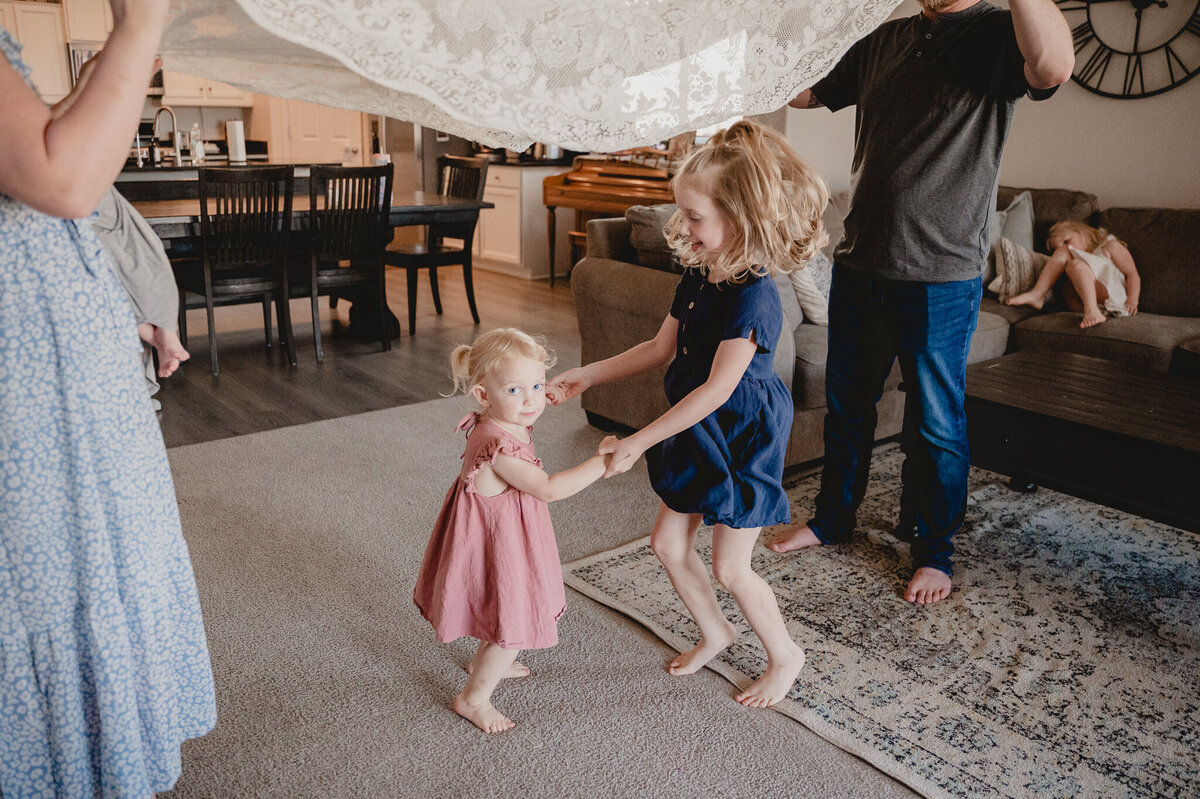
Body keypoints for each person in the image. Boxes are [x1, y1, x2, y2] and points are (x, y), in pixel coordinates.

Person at [768, 0, 1074, 605]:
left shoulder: (1000, 33)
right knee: (848, 409)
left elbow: (1052, 68)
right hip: (860, 263)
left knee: (937, 423)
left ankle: (934, 553)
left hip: (941, 277)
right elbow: (805, 92)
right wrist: (755, 47)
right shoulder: (883, 39)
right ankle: (833, 519)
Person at [0, 1, 216, 796]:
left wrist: (94, 79)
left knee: (82, 555)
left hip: (56, 358)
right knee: (52, 566)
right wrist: (140, 25)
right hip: (26, 376)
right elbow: (61, 177)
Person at [547, 120, 827, 708]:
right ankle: (716, 632)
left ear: (741, 218)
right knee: (668, 546)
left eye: (695, 216)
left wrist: (638, 441)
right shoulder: (698, 275)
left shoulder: (757, 296)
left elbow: (719, 391)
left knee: (731, 566)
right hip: (695, 425)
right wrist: (589, 373)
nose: (684, 227)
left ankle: (786, 657)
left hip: (743, 432)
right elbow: (659, 349)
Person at [413, 328, 614, 734]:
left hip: (502, 532)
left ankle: (481, 660)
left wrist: (537, 391)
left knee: (500, 607)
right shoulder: (498, 445)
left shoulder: (499, 421)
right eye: (516, 391)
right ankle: (473, 698)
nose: (532, 400)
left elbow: (525, 404)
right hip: (499, 542)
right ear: (484, 397)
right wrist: (602, 462)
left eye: (537, 386)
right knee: (515, 622)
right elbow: (549, 488)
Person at [1006, 220, 1140, 328]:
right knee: (1070, 264)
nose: (1065, 247)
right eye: (1055, 249)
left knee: (1076, 265)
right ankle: (1037, 294)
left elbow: (1132, 274)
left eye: (1066, 241)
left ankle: (1092, 310)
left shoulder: (1109, 246)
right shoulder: (1071, 262)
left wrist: (1133, 299)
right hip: (1079, 300)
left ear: (1081, 232)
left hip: (1112, 296)